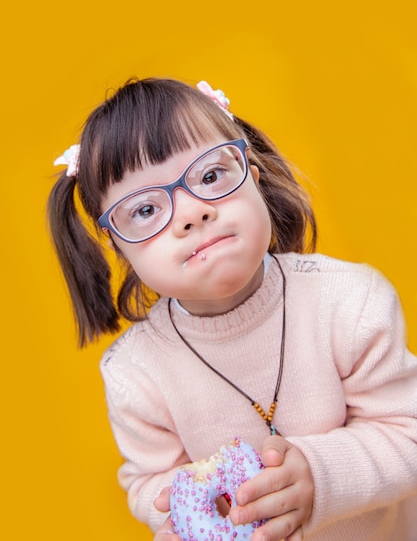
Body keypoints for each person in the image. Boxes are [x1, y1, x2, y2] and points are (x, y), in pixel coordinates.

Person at [48, 77, 417, 541]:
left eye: (210, 176)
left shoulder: (349, 301)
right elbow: (147, 483)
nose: (192, 213)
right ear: (118, 247)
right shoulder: (135, 373)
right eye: (145, 210)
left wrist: (318, 475)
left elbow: (408, 432)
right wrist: (175, 517)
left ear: (254, 178)